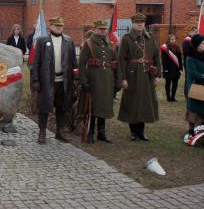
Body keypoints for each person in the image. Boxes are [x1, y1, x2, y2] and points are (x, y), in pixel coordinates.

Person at [30, 17, 77, 144]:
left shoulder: (68, 41)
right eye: (56, 26)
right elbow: (36, 62)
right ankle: (42, 132)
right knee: (44, 107)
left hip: (64, 81)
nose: (59, 28)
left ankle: (60, 131)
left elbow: (73, 62)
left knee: (62, 107)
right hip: (47, 81)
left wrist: (75, 79)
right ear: (51, 27)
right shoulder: (42, 41)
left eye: (61, 26)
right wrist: (35, 80)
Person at [118, 13, 161, 141]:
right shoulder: (126, 38)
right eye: (137, 22)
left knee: (144, 103)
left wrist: (157, 75)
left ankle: (141, 132)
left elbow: (156, 57)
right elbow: (121, 60)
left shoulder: (150, 38)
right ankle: (133, 132)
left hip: (147, 75)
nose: (140, 24)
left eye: (142, 22)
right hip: (132, 76)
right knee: (132, 102)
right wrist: (123, 78)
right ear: (133, 23)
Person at [78, 20, 121, 143]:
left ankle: (101, 132)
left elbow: (116, 63)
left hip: (108, 79)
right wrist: (83, 81)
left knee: (104, 106)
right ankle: (90, 132)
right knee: (93, 107)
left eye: (104, 29)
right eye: (100, 28)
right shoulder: (89, 43)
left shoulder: (110, 44)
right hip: (93, 79)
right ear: (96, 29)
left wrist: (118, 81)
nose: (103, 31)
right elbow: (81, 63)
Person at [161, 34, 183, 102]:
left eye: (174, 39)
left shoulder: (177, 47)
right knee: (168, 83)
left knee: (175, 83)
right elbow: (163, 60)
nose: (173, 40)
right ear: (168, 40)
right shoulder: (165, 48)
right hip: (168, 68)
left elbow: (179, 58)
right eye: (172, 39)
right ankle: (168, 97)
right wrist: (165, 69)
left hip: (175, 68)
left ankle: (173, 97)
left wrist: (180, 68)